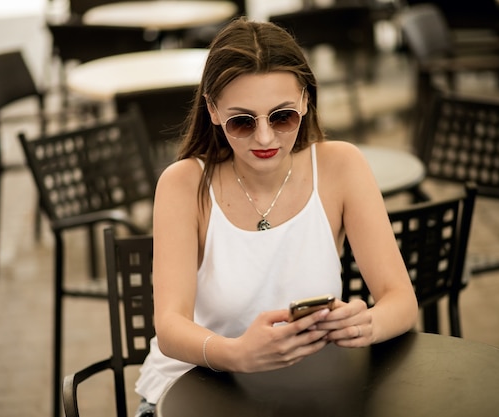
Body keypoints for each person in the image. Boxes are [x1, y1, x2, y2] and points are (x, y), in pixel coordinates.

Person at [135, 17, 418, 416]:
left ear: (305, 100)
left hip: (305, 393)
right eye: (242, 122)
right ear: (213, 111)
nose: (265, 138)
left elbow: (401, 301)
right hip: (190, 392)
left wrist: (365, 324)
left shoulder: (341, 166)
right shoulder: (183, 184)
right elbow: (170, 327)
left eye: (282, 116)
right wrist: (237, 354)